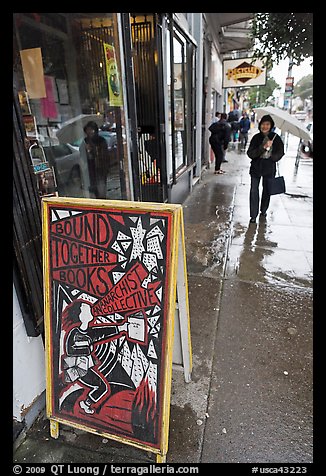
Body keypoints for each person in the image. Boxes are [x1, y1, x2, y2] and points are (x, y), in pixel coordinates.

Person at [62, 300, 129, 414]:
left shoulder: (89, 331)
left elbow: (103, 332)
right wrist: (87, 349)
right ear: (80, 315)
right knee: (101, 386)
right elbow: (70, 350)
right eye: (86, 309)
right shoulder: (74, 332)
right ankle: (81, 402)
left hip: (85, 368)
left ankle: (86, 403)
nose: (90, 310)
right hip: (77, 369)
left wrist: (120, 328)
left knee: (102, 387)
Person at [247, 114, 285, 223]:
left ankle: (263, 210)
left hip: (269, 168)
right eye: (263, 124)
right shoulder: (256, 138)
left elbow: (280, 152)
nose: (265, 126)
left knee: (267, 190)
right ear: (260, 125)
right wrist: (263, 147)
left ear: (271, 125)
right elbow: (250, 153)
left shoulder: (276, 138)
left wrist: (273, 157)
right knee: (254, 191)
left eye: (267, 124)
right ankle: (253, 215)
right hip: (256, 168)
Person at [79, 121, 110, 199]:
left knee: (101, 191)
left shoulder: (101, 141)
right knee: (92, 192)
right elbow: (82, 156)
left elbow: (104, 156)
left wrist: (92, 149)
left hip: (100, 170)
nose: (90, 132)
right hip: (90, 171)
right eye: (88, 130)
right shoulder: (84, 142)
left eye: (91, 130)